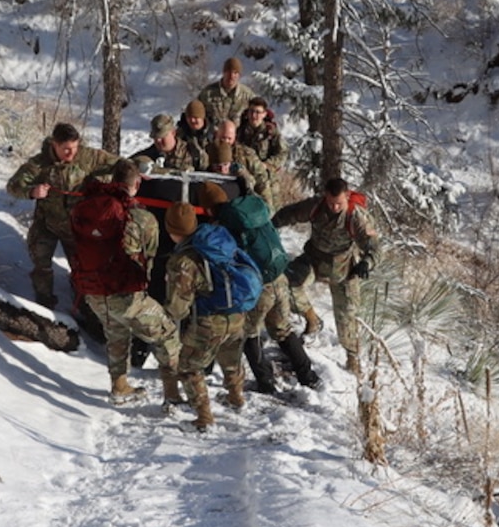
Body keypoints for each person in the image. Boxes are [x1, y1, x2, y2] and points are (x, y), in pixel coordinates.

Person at [69, 159, 183, 406]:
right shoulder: (141, 217)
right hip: (125, 295)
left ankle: (119, 386)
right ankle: (172, 394)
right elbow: (150, 260)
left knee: (116, 333)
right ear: (137, 183)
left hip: (92, 292)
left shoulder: (84, 207)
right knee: (167, 333)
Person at [195, 181, 319, 392]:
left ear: (208, 208)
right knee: (282, 329)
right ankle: (309, 376)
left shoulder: (226, 224)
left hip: (260, 284)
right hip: (280, 277)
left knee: (249, 333)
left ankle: (266, 382)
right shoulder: (249, 212)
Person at [162, 201, 259, 431]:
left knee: (188, 367)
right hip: (237, 314)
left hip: (209, 322)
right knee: (231, 360)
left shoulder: (184, 262)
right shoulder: (215, 240)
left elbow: (178, 308)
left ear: (171, 230)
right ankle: (237, 398)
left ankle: (204, 419)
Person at [5, 122, 120, 309]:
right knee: (41, 264)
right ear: (54, 145)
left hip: (76, 226)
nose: (71, 153)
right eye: (66, 149)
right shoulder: (39, 164)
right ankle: (44, 303)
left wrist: (132, 174)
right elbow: (12, 186)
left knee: (82, 268)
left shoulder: (87, 157)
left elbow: (118, 163)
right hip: (47, 224)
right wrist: (32, 192)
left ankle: (84, 305)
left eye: (74, 148)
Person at [272, 176, 380, 375]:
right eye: (331, 203)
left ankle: (352, 359)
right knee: (286, 285)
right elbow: (290, 214)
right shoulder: (316, 207)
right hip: (314, 260)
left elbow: (373, 245)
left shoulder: (356, 216)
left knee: (347, 315)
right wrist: (271, 226)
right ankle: (312, 320)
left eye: (339, 203)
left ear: (347, 197)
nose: (335, 207)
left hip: (344, 268)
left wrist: (367, 262)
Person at [131, 112, 204, 174]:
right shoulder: (149, 154)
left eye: (163, 136)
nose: (158, 140)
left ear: (173, 133)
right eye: (155, 137)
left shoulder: (192, 153)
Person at [197, 56, 254, 129]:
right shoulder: (208, 93)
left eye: (235, 73)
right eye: (229, 72)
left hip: (239, 137)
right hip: (213, 137)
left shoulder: (247, 95)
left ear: (239, 75)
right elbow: (195, 113)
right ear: (224, 72)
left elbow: (260, 112)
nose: (231, 76)